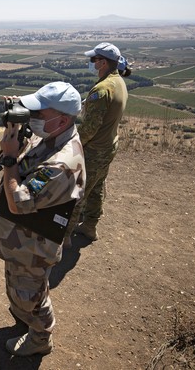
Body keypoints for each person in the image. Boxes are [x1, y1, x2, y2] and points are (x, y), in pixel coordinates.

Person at [0, 82, 85, 356]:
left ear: (63, 119)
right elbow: (28, 154)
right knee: (20, 289)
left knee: (31, 296)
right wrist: (16, 125)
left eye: (38, 114)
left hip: (33, 246)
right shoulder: (52, 135)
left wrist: (9, 158)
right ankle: (25, 315)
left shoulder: (61, 164)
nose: (32, 119)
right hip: (22, 239)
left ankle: (41, 338)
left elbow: (18, 202)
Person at [69, 42, 130, 242]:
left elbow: (89, 128)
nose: (91, 63)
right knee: (96, 188)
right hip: (109, 145)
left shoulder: (102, 89)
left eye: (93, 59)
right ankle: (89, 227)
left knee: (78, 193)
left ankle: (64, 236)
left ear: (102, 62)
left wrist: (72, 144)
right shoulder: (118, 82)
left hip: (94, 150)